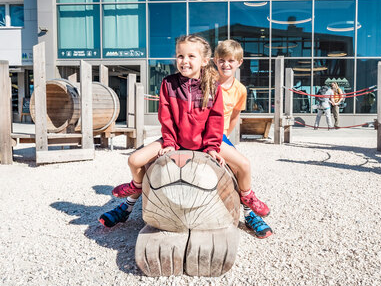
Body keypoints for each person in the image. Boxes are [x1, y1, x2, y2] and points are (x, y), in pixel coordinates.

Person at [99, 35, 269, 228]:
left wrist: (212, 146)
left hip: (206, 141)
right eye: (180, 56)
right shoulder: (168, 83)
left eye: (191, 56)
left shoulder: (212, 86)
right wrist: (170, 142)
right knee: (135, 160)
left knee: (244, 165)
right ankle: (134, 191)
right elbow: (166, 117)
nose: (184, 61)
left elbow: (216, 119)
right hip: (176, 140)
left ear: (204, 61)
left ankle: (247, 203)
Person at [214, 39, 272, 239]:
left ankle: (248, 213)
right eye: (222, 60)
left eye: (231, 60)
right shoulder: (208, 82)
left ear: (239, 62)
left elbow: (235, 115)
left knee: (239, 166)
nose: (226, 64)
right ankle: (129, 205)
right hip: (202, 134)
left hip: (219, 135)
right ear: (215, 60)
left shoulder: (240, 90)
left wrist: (226, 137)